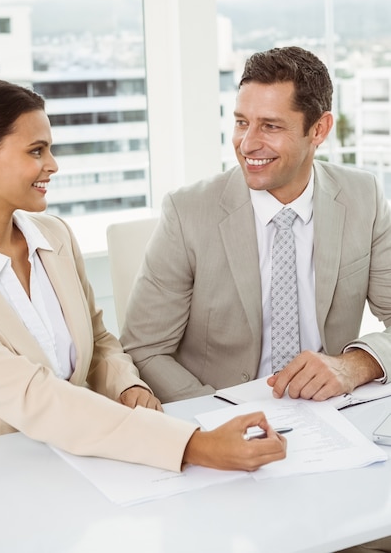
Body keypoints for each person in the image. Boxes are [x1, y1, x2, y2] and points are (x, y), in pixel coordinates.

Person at [0, 78, 287, 544]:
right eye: (36, 151)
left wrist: (127, 384)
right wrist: (193, 446)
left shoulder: (54, 236)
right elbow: (35, 395)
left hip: (72, 475)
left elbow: (98, 339)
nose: (53, 165)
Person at [121, 46, 391, 405]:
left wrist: (354, 365)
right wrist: (222, 413)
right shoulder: (186, 212)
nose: (247, 144)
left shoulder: (364, 197)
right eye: (241, 122)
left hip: (329, 413)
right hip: (218, 416)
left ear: (319, 129)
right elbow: (144, 349)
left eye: (270, 126)